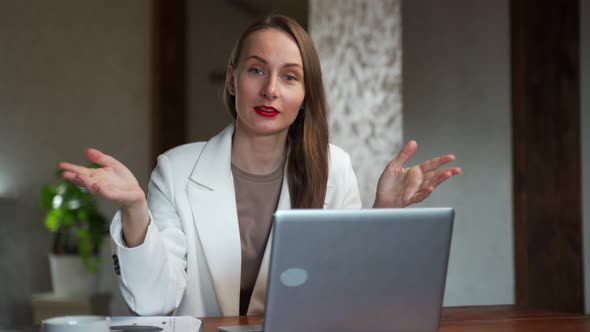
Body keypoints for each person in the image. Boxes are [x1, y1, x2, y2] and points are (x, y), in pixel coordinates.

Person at [58, 14, 461, 317]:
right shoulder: (175, 170)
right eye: (256, 70)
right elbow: (152, 302)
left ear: (306, 94)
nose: (270, 89)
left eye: (290, 77)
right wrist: (134, 209)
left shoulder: (334, 167)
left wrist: (383, 215)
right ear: (232, 81)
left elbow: (349, 297)